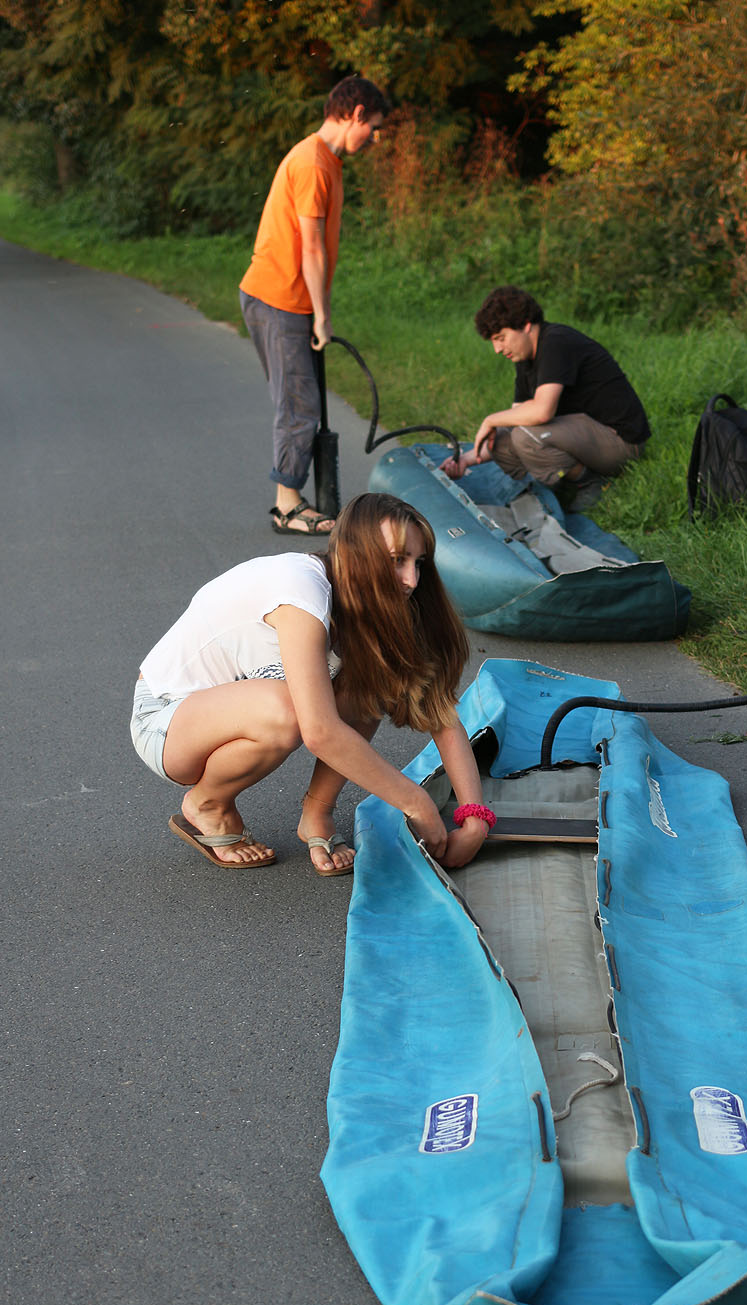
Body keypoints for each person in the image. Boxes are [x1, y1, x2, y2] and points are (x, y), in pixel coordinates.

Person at [130, 494, 493, 876]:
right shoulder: (301, 592)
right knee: (286, 711)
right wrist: (415, 803)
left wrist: (475, 819)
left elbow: (439, 714)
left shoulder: (382, 603)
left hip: (236, 709)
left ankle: (316, 814)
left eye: (418, 563)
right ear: (355, 554)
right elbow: (319, 731)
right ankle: (207, 805)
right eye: (395, 561)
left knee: (369, 684)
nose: (411, 580)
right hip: (165, 721)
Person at [240, 75, 390, 537]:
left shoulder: (326, 160)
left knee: (301, 399)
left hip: (290, 299)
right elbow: (311, 248)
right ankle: (287, 507)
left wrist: (317, 309)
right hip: (279, 297)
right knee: (299, 403)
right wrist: (321, 315)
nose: (376, 137)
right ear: (356, 114)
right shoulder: (311, 163)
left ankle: (293, 497)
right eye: (375, 127)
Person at [439, 285, 651, 511]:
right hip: (582, 436)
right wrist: (465, 460)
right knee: (505, 437)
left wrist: (490, 420)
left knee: (526, 436)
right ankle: (564, 478)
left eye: (501, 338)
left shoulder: (556, 342)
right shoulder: (525, 359)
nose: (497, 349)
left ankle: (589, 482)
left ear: (526, 326)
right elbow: (515, 421)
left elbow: (542, 412)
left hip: (621, 443)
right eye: (493, 341)